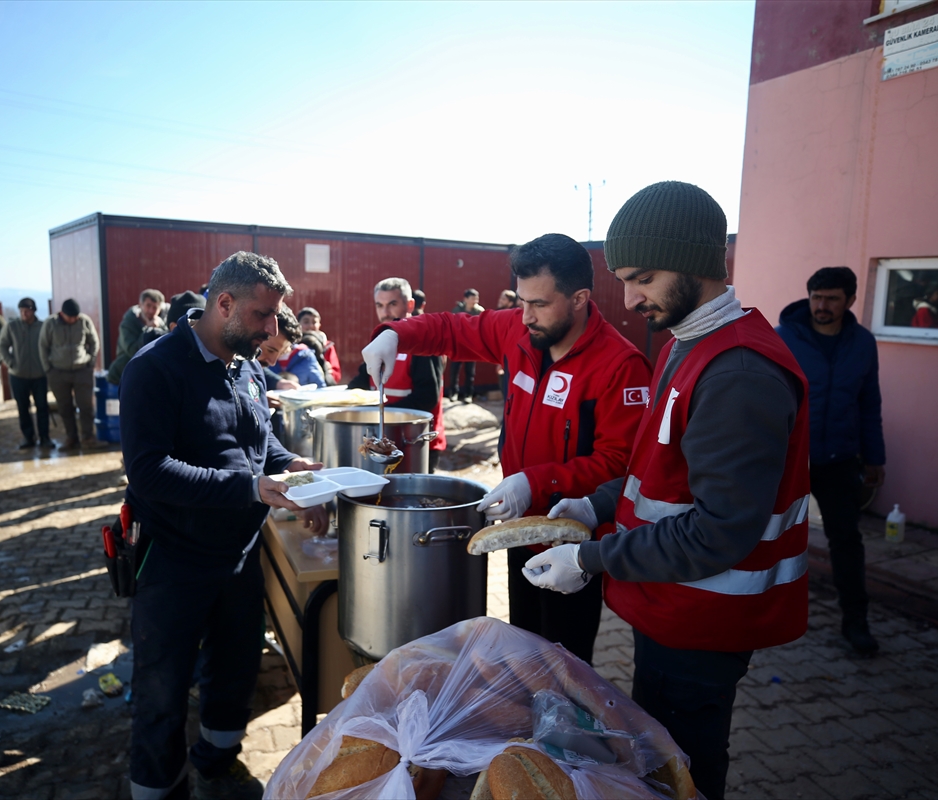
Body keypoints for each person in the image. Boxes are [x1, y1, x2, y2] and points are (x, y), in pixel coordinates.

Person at [531, 181, 810, 800]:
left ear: (698, 264)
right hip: (672, 604)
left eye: (645, 279)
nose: (629, 300)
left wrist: (591, 557)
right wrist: (594, 505)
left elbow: (719, 531)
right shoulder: (690, 344)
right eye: (624, 280)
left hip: (703, 620)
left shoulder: (737, 372)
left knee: (683, 771)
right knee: (663, 756)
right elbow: (653, 471)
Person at [362, 234, 651, 662]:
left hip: (571, 544)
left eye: (539, 304)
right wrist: (394, 334)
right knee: (524, 649)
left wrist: (535, 482)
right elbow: (451, 329)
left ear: (579, 299)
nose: (526, 315)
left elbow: (620, 465)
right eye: (521, 301)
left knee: (563, 665)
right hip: (518, 529)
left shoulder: (620, 366)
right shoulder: (518, 330)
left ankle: (564, 727)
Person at [120, 251, 326, 800]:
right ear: (224, 303)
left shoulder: (246, 364)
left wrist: (291, 466)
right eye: (262, 315)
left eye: (276, 317)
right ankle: (158, 789)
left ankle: (218, 754)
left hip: (237, 556)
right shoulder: (153, 369)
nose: (272, 329)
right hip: (172, 560)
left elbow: (259, 442)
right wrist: (249, 488)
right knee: (161, 694)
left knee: (234, 669)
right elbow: (148, 472)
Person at [777, 266, 884, 656]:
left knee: (847, 540)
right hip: (790, 458)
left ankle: (856, 622)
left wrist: (875, 457)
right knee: (771, 536)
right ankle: (762, 614)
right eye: (817, 297)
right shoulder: (783, 339)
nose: (822, 306)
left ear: (850, 300)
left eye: (832, 298)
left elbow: (869, 402)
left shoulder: (862, 343)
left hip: (840, 458)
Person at [349, 278, 446, 471]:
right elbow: (360, 382)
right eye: (380, 305)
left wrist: (377, 413)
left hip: (415, 441)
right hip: (382, 440)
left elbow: (427, 398)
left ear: (410, 304)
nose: (385, 312)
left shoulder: (423, 343)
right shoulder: (379, 340)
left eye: (392, 304)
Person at [38, 298, 104, 451]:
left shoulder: (84, 321)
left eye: (75, 317)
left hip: (82, 370)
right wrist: (48, 369)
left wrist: (90, 363)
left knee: (86, 406)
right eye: (70, 317)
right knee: (65, 407)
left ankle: (88, 437)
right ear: (62, 314)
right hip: (58, 372)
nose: (73, 320)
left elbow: (94, 341)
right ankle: (71, 438)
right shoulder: (50, 324)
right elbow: (42, 346)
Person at [0, 297, 51, 449]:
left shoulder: (42, 327)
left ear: (33, 311)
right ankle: (28, 438)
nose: (24, 314)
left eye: (26, 311)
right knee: (23, 408)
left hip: (39, 375)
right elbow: (1, 347)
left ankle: (45, 437)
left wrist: (47, 364)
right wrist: (11, 363)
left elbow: (50, 346)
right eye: (21, 311)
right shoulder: (12, 327)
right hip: (18, 375)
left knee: (42, 407)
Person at [108, 289, 168, 385]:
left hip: (148, 376)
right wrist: (149, 330)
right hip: (124, 375)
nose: (151, 311)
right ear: (140, 304)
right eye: (148, 306)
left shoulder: (162, 324)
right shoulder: (128, 324)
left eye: (155, 307)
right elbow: (133, 351)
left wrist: (158, 329)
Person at [266, 308, 327, 387]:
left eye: (284, 349)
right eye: (270, 350)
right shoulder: (257, 360)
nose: (272, 361)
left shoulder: (306, 356)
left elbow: (320, 387)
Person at [448, 289, 484, 402]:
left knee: (470, 372)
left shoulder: (480, 311)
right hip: (458, 345)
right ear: (466, 299)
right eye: (473, 298)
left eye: (476, 298)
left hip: (472, 346)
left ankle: (468, 395)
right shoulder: (457, 310)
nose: (475, 301)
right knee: (454, 370)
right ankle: (453, 393)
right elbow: (452, 326)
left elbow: (483, 328)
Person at [296, 307, 341, 384]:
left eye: (314, 322)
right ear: (298, 324)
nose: (310, 326)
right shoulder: (291, 345)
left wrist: (328, 371)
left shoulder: (327, 346)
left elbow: (337, 374)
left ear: (319, 325)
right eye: (306, 322)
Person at [495, 290, 518, 398]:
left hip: (507, 359)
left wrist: (501, 361)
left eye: (503, 299)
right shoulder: (499, 315)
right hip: (500, 357)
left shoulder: (512, 318)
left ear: (510, 303)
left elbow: (508, 341)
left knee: (507, 389)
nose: (500, 300)